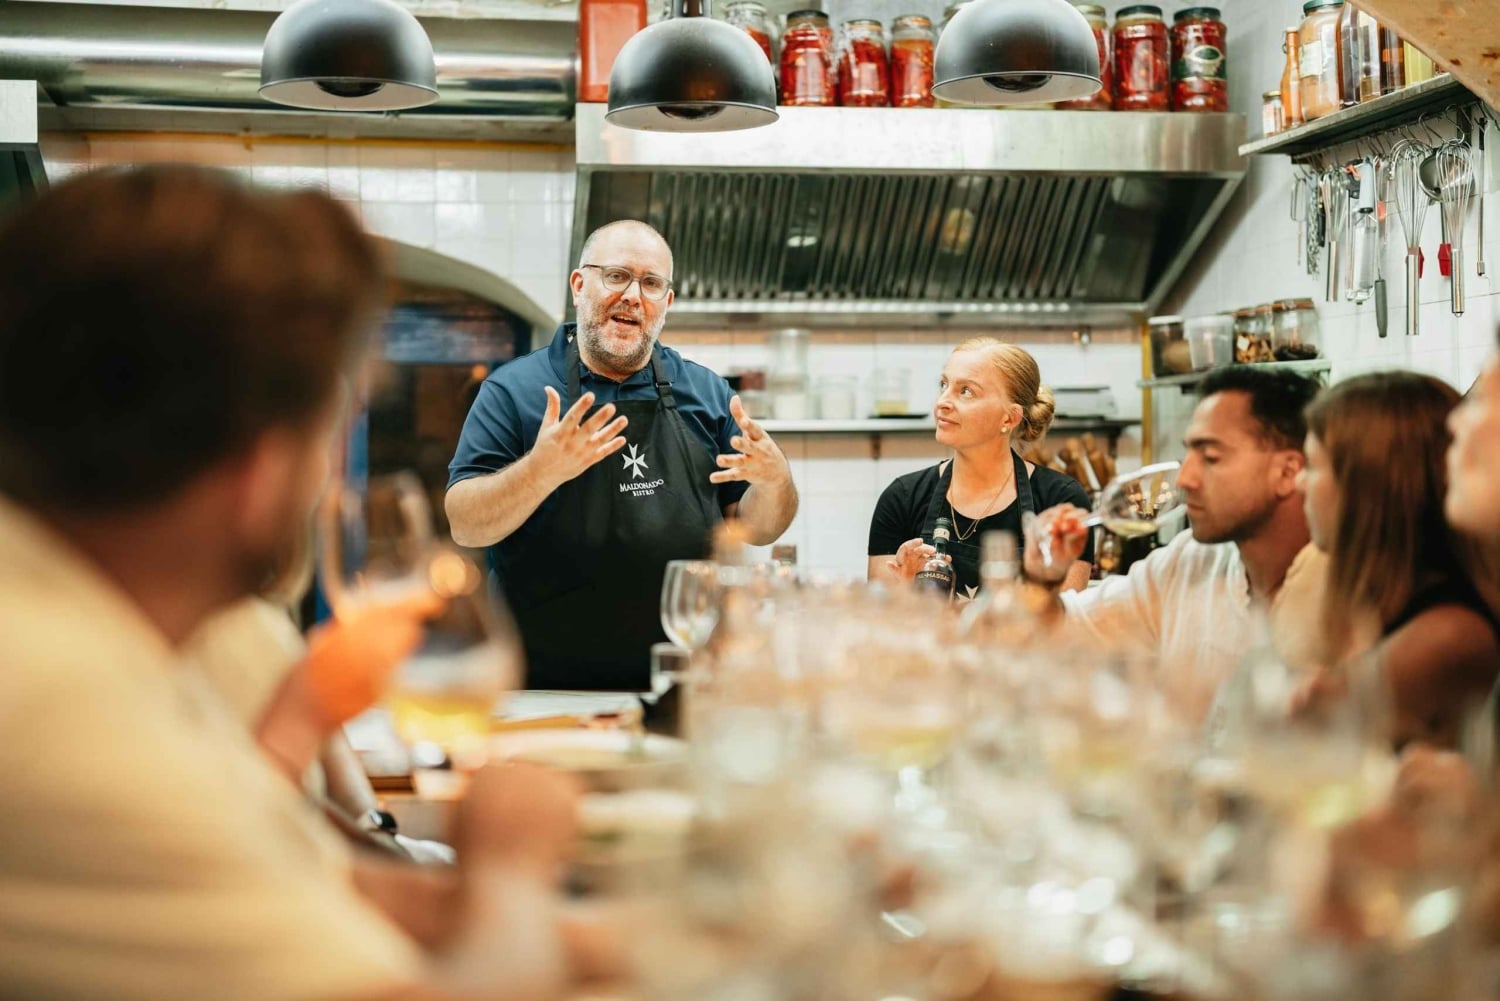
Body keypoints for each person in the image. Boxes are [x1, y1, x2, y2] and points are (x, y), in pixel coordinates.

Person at [0, 165, 591, 1001]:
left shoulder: (103, 628)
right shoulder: (63, 704)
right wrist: (513, 858)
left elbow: (343, 887)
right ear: (263, 469)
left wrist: (658, 938)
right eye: (329, 425)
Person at [446, 220, 798, 691]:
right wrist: (539, 472)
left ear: (666, 304)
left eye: (651, 283)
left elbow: (759, 527)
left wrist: (777, 482)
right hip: (542, 689)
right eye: (617, 276)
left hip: (683, 682)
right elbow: (465, 524)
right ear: (579, 285)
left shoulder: (706, 392)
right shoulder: (514, 391)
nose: (634, 295)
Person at [1024, 366, 1329, 719]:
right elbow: (1060, 631)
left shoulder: (1350, 587)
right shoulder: (1190, 561)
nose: (1185, 478)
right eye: (1189, 456)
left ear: (1288, 472)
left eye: (1211, 457)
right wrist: (1041, 578)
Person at [1297, 372, 1499, 749]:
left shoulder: (1449, 637)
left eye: (1311, 465)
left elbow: (1305, 761)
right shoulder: (1390, 604)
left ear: (1366, 486)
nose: (1298, 483)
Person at [869, 338, 1093, 599]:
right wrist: (905, 589)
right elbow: (879, 626)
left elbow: (1062, 625)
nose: (943, 401)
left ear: (1009, 418)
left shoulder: (1060, 501)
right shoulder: (902, 498)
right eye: (944, 385)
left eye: (966, 391)